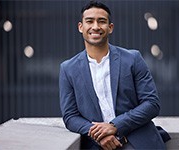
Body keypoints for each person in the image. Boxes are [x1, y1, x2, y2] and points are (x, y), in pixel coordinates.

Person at [59, 1, 167, 149]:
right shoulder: (68, 69)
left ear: (110, 28)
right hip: (97, 145)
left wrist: (115, 126)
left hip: (138, 142)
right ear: (80, 27)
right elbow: (70, 117)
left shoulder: (133, 59)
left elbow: (152, 104)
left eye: (101, 21)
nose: (95, 26)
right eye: (89, 21)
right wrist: (99, 134)